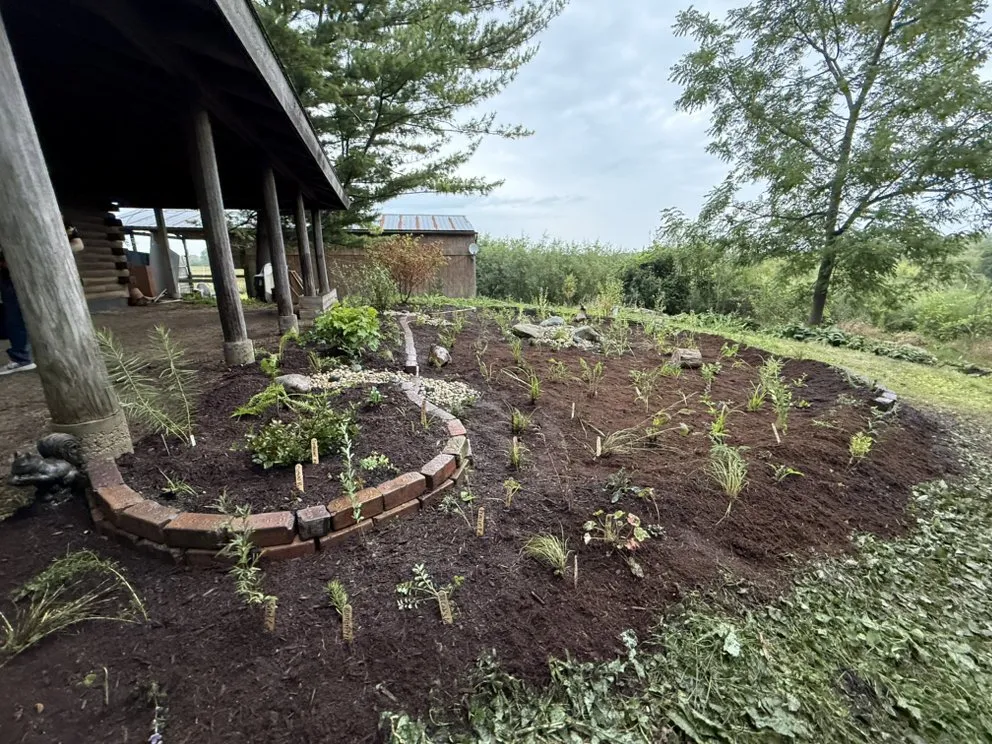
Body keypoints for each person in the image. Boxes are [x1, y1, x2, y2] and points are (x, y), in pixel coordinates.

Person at [0, 218, 82, 376]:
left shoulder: (54, 217)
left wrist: (47, 253)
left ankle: (69, 352)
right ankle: (22, 359)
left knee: (54, 314)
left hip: (46, 274)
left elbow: (78, 244)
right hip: (10, 277)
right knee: (15, 318)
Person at [0, 250, 35, 375]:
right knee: (10, 318)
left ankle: (22, 358)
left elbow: (77, 244)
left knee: (15, 316)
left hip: (20, 274)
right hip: (5, 276)